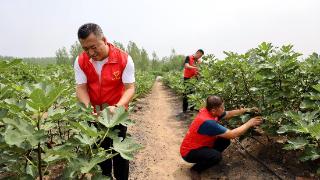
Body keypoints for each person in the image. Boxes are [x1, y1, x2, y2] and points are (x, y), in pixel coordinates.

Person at [74, 23, 135, 180]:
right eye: (85, 49)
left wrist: (117, 107)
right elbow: (81, 88)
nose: (90, 52)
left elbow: (130, 89)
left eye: (94, 47)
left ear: (104, 40)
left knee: (119, 155)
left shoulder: (124, 59)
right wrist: (88, 110)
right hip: (94, 115)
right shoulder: (80, 61)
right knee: (101, 157)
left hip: (117, 114)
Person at [180, 95, 262, 180]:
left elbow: (229, 113)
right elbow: (232, 134)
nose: (224, 109)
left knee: (225, 140)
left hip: (200, 145)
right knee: (216, 156)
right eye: (222, 108)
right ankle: (196, 169)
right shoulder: (208, 122)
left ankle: (208, 159)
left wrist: (247, 110)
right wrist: (249, 123)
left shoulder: (209, 111)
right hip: (189, 153)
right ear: (213, 110)